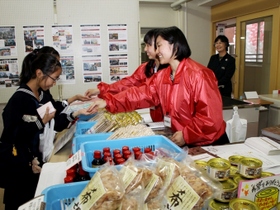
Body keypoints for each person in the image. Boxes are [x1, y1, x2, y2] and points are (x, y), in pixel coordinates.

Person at [87, 26, 228, 148]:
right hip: (184, 141)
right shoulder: (163, 76)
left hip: (209, 144)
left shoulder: (199, 75)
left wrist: (186, 135)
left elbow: (210, 118)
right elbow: (139, 94)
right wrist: (108, 102)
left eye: (159, 45)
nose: (157, 50)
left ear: (175, 45)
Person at [0, 53, 92, 210]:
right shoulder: (20, 99)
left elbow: (53, 123)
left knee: (35, 200)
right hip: (20, 165)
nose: (54, 83)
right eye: (54, 78)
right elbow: (12, 134)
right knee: (19, 202)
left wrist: (76, 114)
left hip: (36, 162)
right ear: (39, 73)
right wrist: (39, 122)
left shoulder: (42, 95)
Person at [85, 28, 168, 122]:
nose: (145, 49)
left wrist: (109, 102)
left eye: (148, 45)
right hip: (158, 120)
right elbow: (127, 84)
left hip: (170, 123)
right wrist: (101, 90)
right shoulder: (147, 68)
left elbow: (144, 94)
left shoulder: (169, 72)